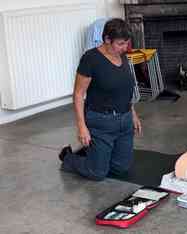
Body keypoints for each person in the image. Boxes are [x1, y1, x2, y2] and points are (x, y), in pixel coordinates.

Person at [58, 18, 142, 181]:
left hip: (124, 121)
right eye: (121, 44)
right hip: (101, 122)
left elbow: (123, 90)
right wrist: (82, 126)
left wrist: (133, 115)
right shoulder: (90, 59)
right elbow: (78, 94)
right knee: (98, 173)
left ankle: (95, 154)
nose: (125, 48)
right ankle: (68, 157)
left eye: (126, 43)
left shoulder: (121, 56)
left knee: (120, 168)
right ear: (107, 40)